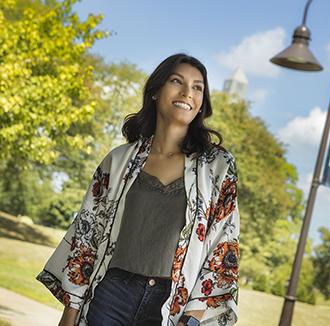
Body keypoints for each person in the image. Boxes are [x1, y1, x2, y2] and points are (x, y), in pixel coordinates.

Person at [36, 53, 240, 326]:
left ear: (202, 102)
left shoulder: (217, 167)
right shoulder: (118, 161)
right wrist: (70, 313)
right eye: (176, 81)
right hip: (110, 295)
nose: (187, 93)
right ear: (156, 91)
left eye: (197, 87)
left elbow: (223, 249)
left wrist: (190, 320)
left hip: (171, 305)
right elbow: (87, 236)